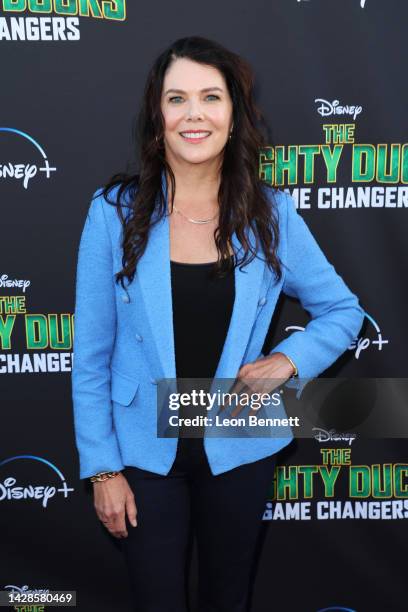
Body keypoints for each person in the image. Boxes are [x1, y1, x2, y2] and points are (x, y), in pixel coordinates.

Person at [71, 36, 365, 612]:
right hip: (141, 453)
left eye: (211, 97)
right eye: (176, 99)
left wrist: (290, 361)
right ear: (158, 119)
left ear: (234, 117)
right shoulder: (112, 213)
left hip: (238, 447)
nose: (194, 114)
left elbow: (344, 310)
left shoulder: (270, 214)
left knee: (229, 600)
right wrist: (102, 468)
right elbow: (91, 355)